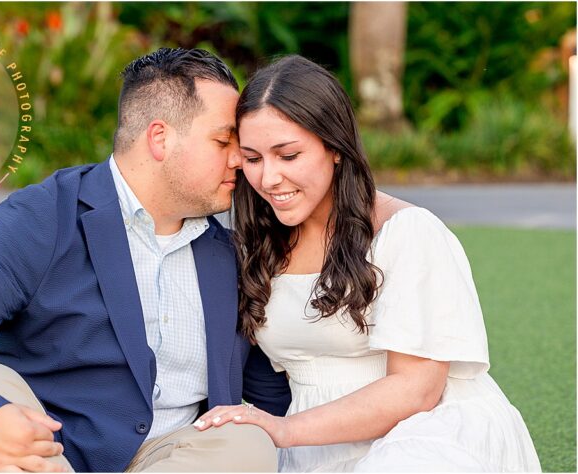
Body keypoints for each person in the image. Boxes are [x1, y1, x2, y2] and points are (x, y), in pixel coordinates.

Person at [0, 47, 292, 473]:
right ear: (160, 138)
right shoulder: (44, 216)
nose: (240, 160)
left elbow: (280, 389)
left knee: (247, 442)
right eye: (222, 140)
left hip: (171, 460)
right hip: (49, 454)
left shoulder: (230, 250)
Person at [194, 55, 541, 471]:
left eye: (288, 156)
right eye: (253, 159)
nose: (269, 178)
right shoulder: (256, 240)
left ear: (334, 147)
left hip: (424, 435)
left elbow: (416, 390)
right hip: (313, 446)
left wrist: (284, 430)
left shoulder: (408, 232)